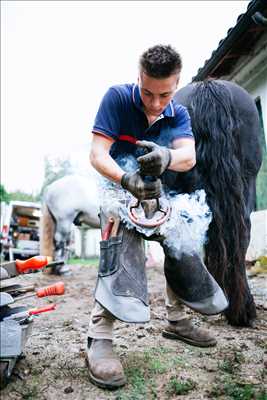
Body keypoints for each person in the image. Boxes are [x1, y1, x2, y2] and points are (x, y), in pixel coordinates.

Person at [87, 45, 221, 389]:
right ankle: (99, 338)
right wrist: (126, 179)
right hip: (117, 187)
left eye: (165, 94)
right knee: (118, 232)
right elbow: (98, 154)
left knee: (182, 232)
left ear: (176, 85)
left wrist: (167, 156)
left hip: (157, 190)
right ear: (139, 79)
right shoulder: (117, 98)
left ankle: (177, 321)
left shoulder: (178, 113)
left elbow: (188, 157)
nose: (156, 103)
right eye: (148, 92)